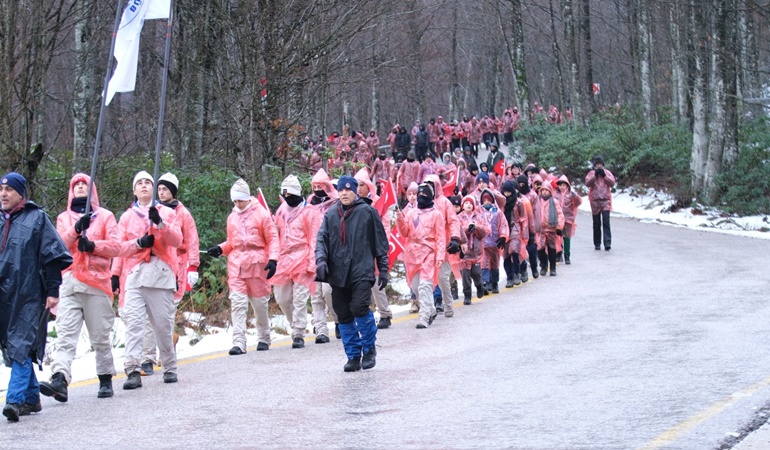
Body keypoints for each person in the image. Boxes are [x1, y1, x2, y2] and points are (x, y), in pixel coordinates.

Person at [41, 174, 120, 403]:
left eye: (84, 184)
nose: (80, 187)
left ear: (92, 189)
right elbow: (58, 245)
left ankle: (105, 376)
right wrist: (76, 229)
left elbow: (116, 246)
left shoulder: (105, 216)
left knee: (100, 336)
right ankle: (60, 379)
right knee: (65, 334)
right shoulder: (63, 218)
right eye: (76, 185)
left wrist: (94, 246)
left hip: (97, 283)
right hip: (70, 282)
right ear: (70, 191)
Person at [0, 173, 72, 422]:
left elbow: (52, 256)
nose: (3, 193)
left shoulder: (37, 218)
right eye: (1, 189)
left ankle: (14, 400)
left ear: (21, 193)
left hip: (30, 294)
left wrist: (53, 290)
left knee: (21, 345)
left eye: (9, 189)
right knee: (13, 346)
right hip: (4, 296)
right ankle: (31, 398)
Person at [111, 171, 183, 389]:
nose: (143, 186)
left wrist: (160, 223)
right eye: (139, 183)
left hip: (160, 274)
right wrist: (137, 245)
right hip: (134, 275)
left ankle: (169, 366)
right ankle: (132, 369)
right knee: (134, 323)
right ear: (134, 190)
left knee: (162, 325)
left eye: (147, 183)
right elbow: (119, 248)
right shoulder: (126, 217)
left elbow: (177, 240)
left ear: (154, 189)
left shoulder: (167, 213)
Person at [315, 176, 388, 372]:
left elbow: (380, 242)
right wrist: (321, 261)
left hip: (361, 270)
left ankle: (369, 348)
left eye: (348, 190)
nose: (344, 193)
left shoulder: (367, 212)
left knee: (359, 307)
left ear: (356, 191)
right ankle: (353, 356)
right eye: (341, 190)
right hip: (338, 272)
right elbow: (321, 240)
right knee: (343, 313)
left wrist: (383, 269)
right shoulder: (331, 214)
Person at [207, 179, 279, 355]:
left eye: (240, 200)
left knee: (260, 304)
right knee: (238, 303)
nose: (237, 204)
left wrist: (273, 259)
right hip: (237, 264)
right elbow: (232, 242)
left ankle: (263, 337)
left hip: (258, 264)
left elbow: (272, 238)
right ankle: (239, 341)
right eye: (235, 201)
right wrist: (220, 249)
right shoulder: (232, 218)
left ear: (247, 198)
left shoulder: (262, 215)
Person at [140, 172, 200, 375]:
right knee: (149, 315)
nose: (161, 192)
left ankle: (165, 352)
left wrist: (193, 266)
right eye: (160, 188)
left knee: (165, 315)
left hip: (177, 268)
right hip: (154, 265)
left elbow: (192, 240)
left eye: (165, 189)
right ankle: (147, 357)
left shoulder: (183, 214)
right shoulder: (153, 211)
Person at [271, 175, 316, 349]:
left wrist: (312, 263)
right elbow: (275, 236)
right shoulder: (281, 210)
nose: (287, 198)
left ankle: (299, 332)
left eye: (290, 195)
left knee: (299, 298)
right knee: (282, 298)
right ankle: (294, 323)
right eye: (285, 195)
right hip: (283, 258)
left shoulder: (308, 212)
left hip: (302, 256)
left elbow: (313, 238)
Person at [395, 183, 446, 329]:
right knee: (415, 286)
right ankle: (431, 309)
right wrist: (399, 219)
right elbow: (404, 232)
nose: (421, 197)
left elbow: (441, 237)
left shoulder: (436, 215)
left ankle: (424, 317)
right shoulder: (411, 213)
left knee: (425, 285)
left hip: (428, 253)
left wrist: (440, 256)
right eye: (420, 194)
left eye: (425, 195)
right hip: (412, 254)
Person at [354, 169, 394, 329]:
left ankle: (384, 313)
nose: (358, 189)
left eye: (361, 185)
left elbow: (385, 227)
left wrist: (380, 245)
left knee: (377, 283)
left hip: (374, 249)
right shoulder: (352, 202)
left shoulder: (379, 202)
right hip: (357, 251)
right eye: (356, 185)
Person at [307, 169, 340, 342]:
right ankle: (320, 329)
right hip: (312, 253)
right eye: (315, 186)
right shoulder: (309, 205)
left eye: (321, 186)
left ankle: (338, 319)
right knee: (316, 294)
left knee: (329, 292)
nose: (318, 189)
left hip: (332, 254)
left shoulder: (336, 204)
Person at [456, 196, 489, 304]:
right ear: (463, 205)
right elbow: (457, 231)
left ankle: (479, 285)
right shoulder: (459, 218)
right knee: (465, 275)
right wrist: (466, 229)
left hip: (476, 252)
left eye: (470, 203)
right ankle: (467, 295)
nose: (468, 205)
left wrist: (476, 227)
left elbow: (485, 232)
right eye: (466, 203)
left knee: (476, 273)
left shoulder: (478, 217)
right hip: (464, 252)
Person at [479, 189, 509, 294]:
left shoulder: (498, 212)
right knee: (485, 263)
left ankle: (495, 283)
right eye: (484, 200)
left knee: (495, 264)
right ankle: (485, 283)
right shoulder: (479, 212)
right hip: (484, 243)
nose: (486, 202)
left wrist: (503, 236)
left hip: (495, 242)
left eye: (488, 200)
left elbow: (503, 225)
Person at [500, 181, 529, 287]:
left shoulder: (519, 203)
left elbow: (524, 218)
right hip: (504, 230)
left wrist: (525, 233)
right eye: (505, 192)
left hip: (515, 228)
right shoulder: (501, 203)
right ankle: (509, 277)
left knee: (514, 250)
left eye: (508, 192)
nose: (507, 194)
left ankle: (517, 273)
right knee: (506, 254)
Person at [585, 155, 615, 251]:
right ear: (595, 165)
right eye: (597, 164)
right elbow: (587, 183)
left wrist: (604, 176)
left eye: (600, 164)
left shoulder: (607, 173)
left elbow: (612, 183)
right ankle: (597, 243)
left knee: (606, 222)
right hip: (595, 200)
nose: (599, 166)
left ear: (603, 164)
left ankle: (607, 243)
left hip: (606, 200)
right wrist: (595, 176)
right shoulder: (591, 173)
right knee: (596, 222)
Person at [535, 182, 564, 276]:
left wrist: (559, 227)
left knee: (552, 249)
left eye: (546, 190)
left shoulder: (554, 202)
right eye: (542, 190)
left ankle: (552, 268)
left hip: (551, 229)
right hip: (540, 230)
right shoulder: (537, 201)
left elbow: (560, 214)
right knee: (540, 249)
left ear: (550, 191)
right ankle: (544, 266)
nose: (544, 192)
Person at [554, 175, 582, 264]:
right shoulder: (555, 194)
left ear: (567, 185)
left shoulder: (570, 194)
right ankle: (559, 253)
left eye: (563, 185)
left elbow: (578, 203)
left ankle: (567, 255)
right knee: (558, 237)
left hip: (568, 219)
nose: (561, 187)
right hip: (558, 219)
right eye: (560, 185)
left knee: (567, 238)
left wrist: (575, 197)